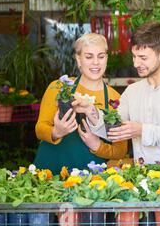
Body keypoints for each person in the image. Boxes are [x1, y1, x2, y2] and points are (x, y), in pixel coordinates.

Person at [74, 22, 160, 168]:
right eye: (134, 56)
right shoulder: (132, 91)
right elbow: (114, 129)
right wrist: (91, 111)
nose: (135, 64)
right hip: (143, 182)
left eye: (143, 57)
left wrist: (142, 130)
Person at [34, 33, 128, 173]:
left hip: (90, 183)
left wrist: (97, 146)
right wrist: (56, 132)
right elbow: (40, 128)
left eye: (101, 56)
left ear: (106, 59)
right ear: (78, 59)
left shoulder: (115, 100)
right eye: (89, 56)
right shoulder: (59, 87)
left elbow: (120, 150)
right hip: (50, 174)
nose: (96, 62)